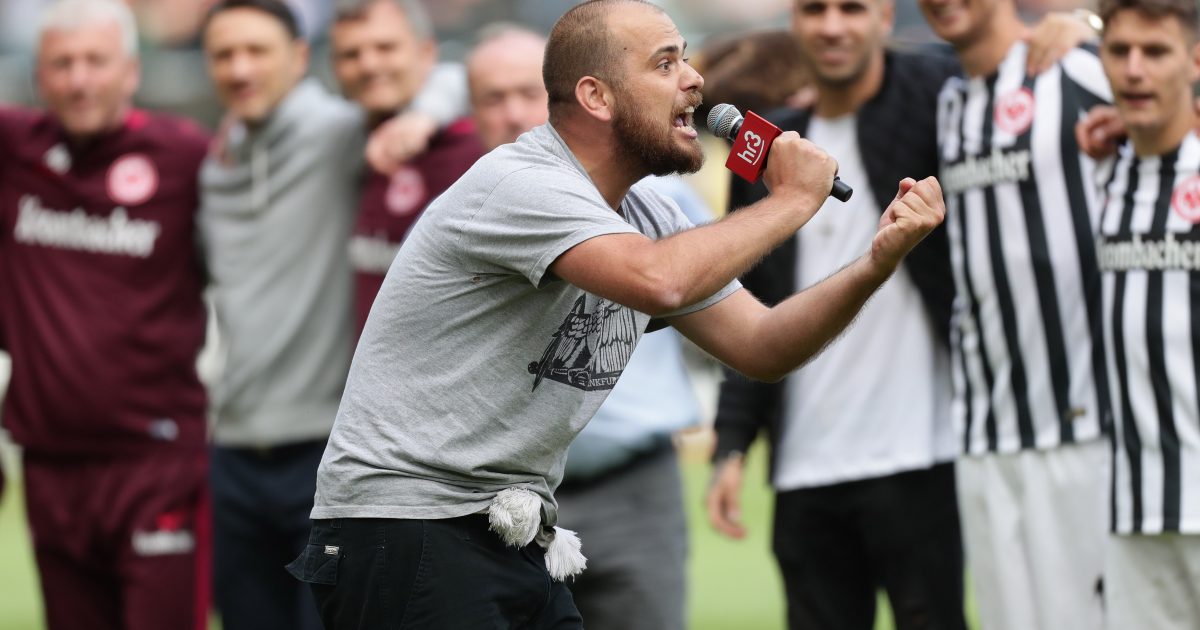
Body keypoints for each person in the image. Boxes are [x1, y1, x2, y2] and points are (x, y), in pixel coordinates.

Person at [289, 1, 946, 628]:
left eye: (685, 59)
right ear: (597, 96)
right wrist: (791, 200)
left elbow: (762, 344)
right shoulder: (525, 185)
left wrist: (873, 266)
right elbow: (659, 281)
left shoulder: (647, 212)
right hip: (405, 529)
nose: (694, 79)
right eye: (665, 64)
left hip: (508, 529)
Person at [198, 1, 464, 628]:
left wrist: (422, 115)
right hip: (232, 447)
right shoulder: (217, 162)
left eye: (257, 51)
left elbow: (450, 77)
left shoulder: (338, 132)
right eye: (223, 55)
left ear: (297, 58)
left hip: (327, 446)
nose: (240, 69)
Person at [705, 1, 965, 628]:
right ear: (793, 21)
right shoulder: (764, 148)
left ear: (884, 18)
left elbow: (996, 63)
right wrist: (732, 444)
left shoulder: (937, 101)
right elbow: (745, 296)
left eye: (852, 8)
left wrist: (1077, 28)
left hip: (922, 454)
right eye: (814, 8)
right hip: (804, 468)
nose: (831, 25)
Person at [468, 23, 713, 629]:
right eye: (490, 99)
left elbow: (729, 315)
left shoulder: (661, 199)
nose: (511, 113)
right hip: (502, 497)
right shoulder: (473, 206)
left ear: (578, 96)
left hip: (631, 481)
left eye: (526, 92)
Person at [0, 1, 210, 629]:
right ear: (38, 74)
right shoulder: (15, 150)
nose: (79, 79)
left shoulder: (186, 156)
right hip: (48, 461)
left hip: (157, 462)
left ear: (130, 71)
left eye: (96, 61)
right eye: (62, 64)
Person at [918, 0, 1113, 626]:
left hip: (1085, 426)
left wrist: (1093, 25)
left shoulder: (1079, 67)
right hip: (983, 433)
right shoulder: (946, 101)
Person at [1092, 0, 1200, 627]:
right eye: (1119, 50)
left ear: (1193, 61)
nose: (1134, 70)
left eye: (1155, 52)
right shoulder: (1105, 168)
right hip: (1134, 511)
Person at [329, 0, 484, 333]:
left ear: (426, 52)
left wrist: (423, 116)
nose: (368, 64)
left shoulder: (475, 147)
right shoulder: (340, 142)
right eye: (351, 54)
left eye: (386, 47)